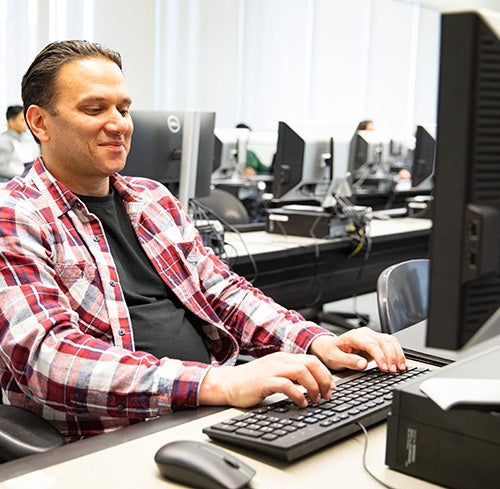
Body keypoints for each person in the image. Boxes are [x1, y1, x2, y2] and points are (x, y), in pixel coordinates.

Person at [0, 40, 406, 442]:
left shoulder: (152, 199)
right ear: (39, 123)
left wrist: (317, 341)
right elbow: (46, 358)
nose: (119, 123)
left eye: (124, 109)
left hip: (204, 411)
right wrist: (217, 383)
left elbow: (224, 292)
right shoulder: (17, 215)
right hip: (110, 436)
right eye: (94, 109)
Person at [0, 105, 28, 181]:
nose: (26, 123)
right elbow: (1, 168)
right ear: (11, 122)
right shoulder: (4, 141)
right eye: (22, 120)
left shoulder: (19, 139)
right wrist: (23, 174)